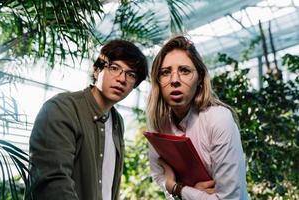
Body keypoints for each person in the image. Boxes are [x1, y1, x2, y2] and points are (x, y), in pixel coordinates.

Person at [29, 39, 148, 200]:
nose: (122, 79)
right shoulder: (61, 109)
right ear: (97, 70)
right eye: (114, 68)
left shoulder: (117, 121)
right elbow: (54, 185)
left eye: (131, 74)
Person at [146, 35, 249, 199]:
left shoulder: (218, 119)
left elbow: (230, 198)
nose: (174, 80)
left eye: (184, 71)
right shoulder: (158, 125)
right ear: (157, 81)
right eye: (165, 72)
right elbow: (159, 177)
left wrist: (178, 189)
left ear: (200, 78)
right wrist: (186, 190)